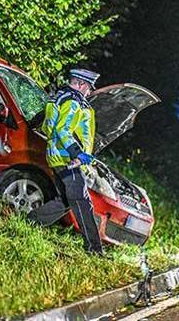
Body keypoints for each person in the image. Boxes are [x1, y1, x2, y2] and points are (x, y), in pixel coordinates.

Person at [42, 68, 103, 254]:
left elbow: (47, 126)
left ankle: (29, 221)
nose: (90, 92)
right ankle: (94, 250)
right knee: (83, 202)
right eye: (90, 88)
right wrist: (78, 154)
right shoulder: (73, 101)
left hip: (57, 157)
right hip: (68, 159)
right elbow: (63, 129)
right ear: (81, 84)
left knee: (66, 201)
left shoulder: (59, 97)